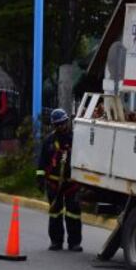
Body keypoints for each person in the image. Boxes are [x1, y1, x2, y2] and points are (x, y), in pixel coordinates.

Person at [36, 108, 82, 252]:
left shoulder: (76, 140)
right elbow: (42, 161)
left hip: (71, 184)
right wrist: (40, 178)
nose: (61, 126)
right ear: (54, 125)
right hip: (53, 184)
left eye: (63, 123)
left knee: (73, 213)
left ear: (67, 122)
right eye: (58, 124)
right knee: (55, 212)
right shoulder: (49, 141)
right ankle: (56, 241)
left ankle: (74, 243)